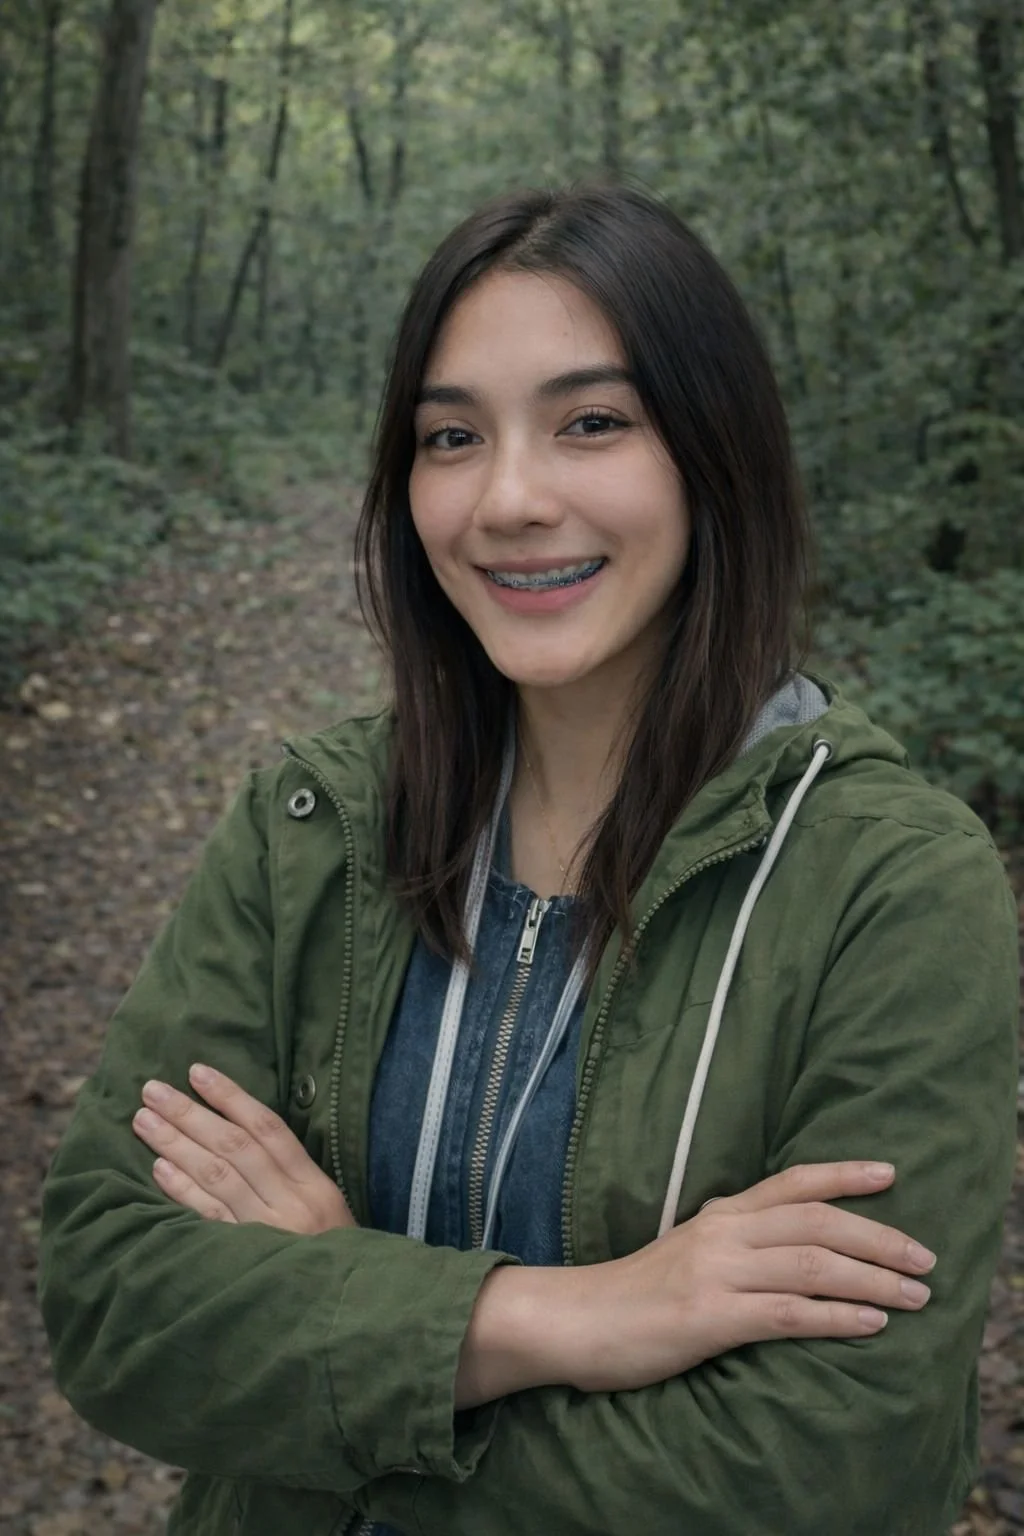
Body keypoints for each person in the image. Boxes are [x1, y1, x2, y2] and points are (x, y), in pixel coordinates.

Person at [40, 184, 1019, 1536]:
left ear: (711, 450)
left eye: (593, 423)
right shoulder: (309, 828)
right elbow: (113, 1300)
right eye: (452, 437)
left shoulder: (885, 886)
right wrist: (567, 1316)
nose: (507, 498)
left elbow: (827, 1471)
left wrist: (338, 1318)